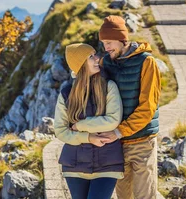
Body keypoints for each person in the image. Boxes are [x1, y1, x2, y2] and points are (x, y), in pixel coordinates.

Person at [86, 15, 162, 199]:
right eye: (103, 43)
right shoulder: (106, 62)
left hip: (142, 142)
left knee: (145, 195)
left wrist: (120, 131)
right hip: (116, 146)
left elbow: (148, 107)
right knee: (124, 196)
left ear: (122, 39)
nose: (106, 48)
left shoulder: (146, 62)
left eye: (110, 42)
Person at [54, 43, 125, 199]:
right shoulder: (67, 93)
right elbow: (60, 130)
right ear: (81, 65)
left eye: (95, 54)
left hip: (107, 162)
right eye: (91, 56)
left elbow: (113, 120)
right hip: (74, 164)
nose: (97, 58)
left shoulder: (108, 86)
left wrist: (80, 125)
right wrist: (87, 138)